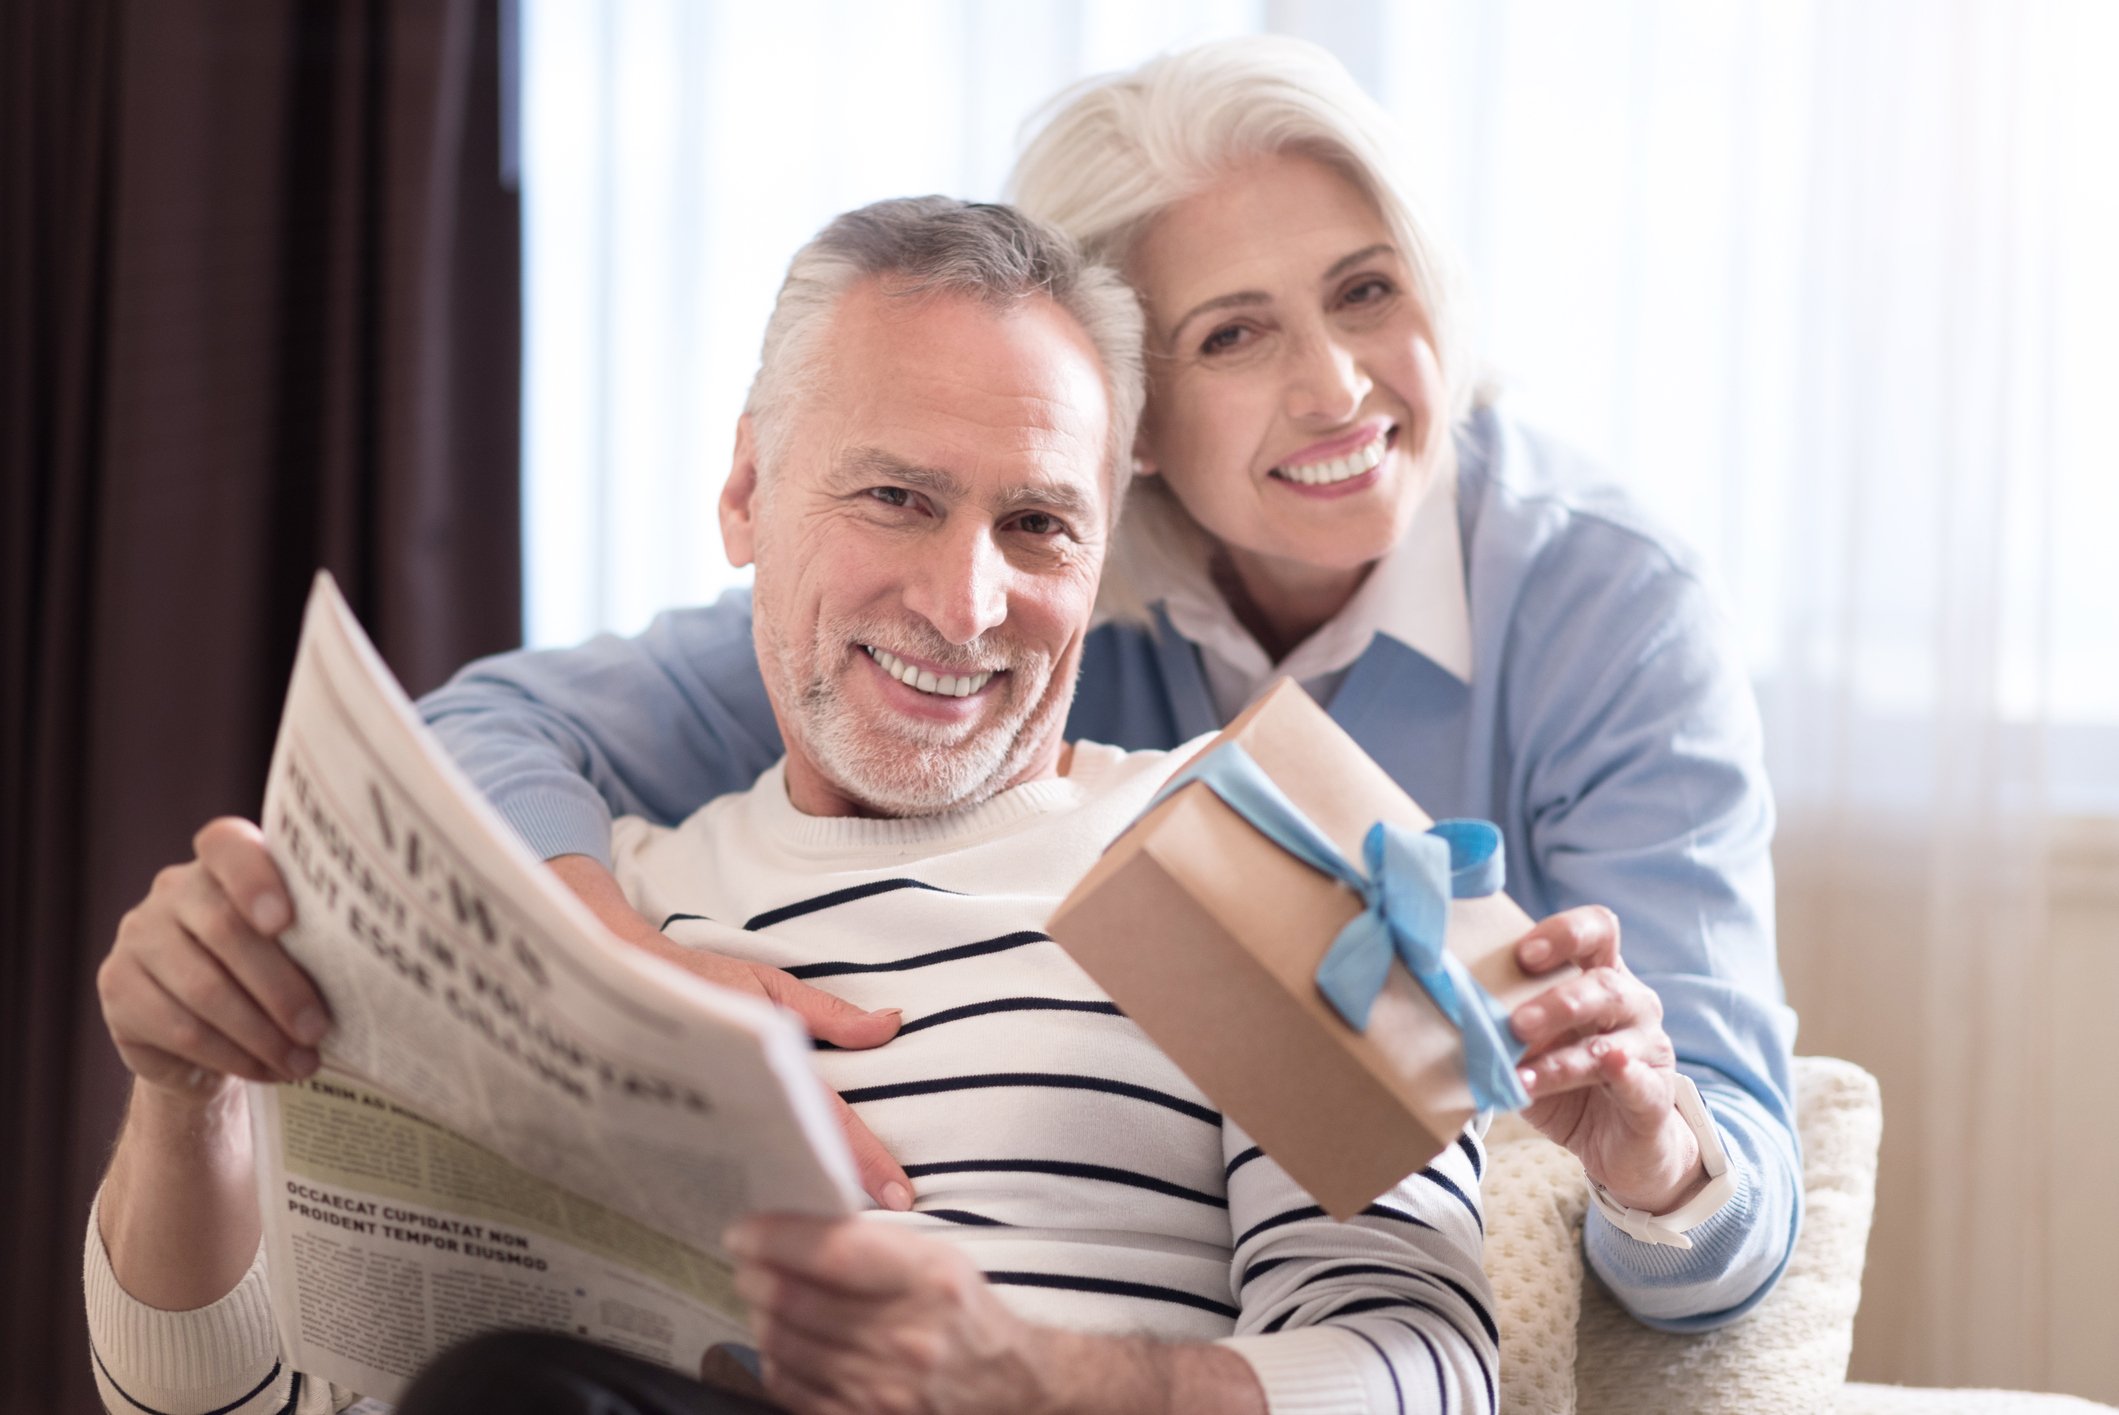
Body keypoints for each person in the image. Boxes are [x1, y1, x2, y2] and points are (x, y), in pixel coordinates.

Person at [418, 36, 1801, 1331]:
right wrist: (616, 963)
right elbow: (481, 735)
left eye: (1366, 290)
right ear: (1119, 419)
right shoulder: (995, 596)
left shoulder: (1610, 610)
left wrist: (1658, 1156)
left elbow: (1733, 1209)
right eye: (1235, 335)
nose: (1337, 388)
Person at [86, 197, 1496, 1415]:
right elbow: (221, 1401)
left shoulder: (1253, 851)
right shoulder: (597, 903)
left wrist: (1041, 1386)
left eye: (1038, 524)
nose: (965, 605)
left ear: (1104, 547)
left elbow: (1432, 1369)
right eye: (895, 497)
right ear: (748, 495)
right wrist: (182, 1096)